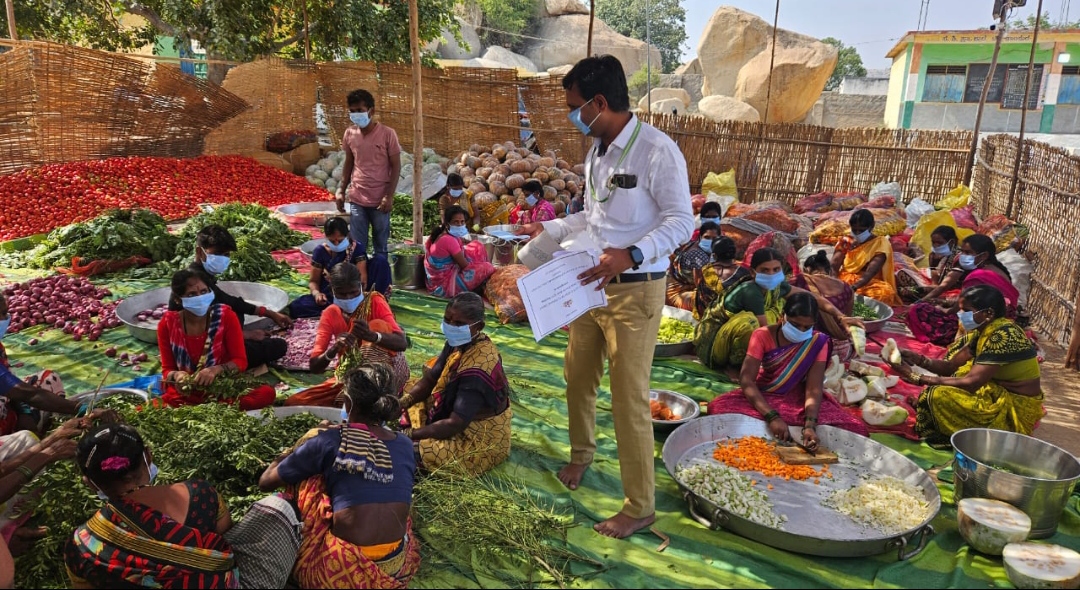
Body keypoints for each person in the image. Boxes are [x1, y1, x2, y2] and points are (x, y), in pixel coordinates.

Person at [515, 55, 694, 539]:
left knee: (628, 398)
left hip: (635, 291)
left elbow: (682, 222)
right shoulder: (598, 152)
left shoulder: (657, 151)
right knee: (577, 375)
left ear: (599, 102)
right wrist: (547, 227)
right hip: (589, 284)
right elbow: (592, 221)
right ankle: (582, 455)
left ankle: (640, 507)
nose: (573, 116)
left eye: (576, 107)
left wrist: (632, 254)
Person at [66, 423, 300, 589]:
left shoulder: (82, 544)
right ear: (148, 456)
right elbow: (229, 548)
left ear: (89, 483)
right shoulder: (201, 495)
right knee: (278, 506)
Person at [260, 364, 419, 589]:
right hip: (396, 567)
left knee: (311, 479)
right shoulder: (404, 443)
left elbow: (266, 482)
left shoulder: (327, 440)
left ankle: (307, 554)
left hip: (340, 572)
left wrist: (302, 442)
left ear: (348, 402)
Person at [890, 285, 1043, 448]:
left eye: (967, 311)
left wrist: (918, 378)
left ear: (988, 314)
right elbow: (951, 366)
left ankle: (966, 436)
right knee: (950, 379)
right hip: (995, 391)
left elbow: (971, 383)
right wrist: (919, 359)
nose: (960, 316)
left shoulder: (1002, 336)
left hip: (1013, 407)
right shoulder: (984, 331)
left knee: (935, 396)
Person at [707, 293, 869, 441]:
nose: (801, 330)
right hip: (766, 393)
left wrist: (810, 425)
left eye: (807, 327)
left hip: (799, 399)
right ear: (782, 316)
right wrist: (772, 416)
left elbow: (814, 388)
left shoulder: (817, 342)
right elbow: (747, 380)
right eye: (795, 324)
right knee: (718, 408)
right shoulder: (762, 335)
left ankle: (790, 428)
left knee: (855, 428)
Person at [695, 248, 857, 376]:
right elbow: (764, 332)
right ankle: (734, 366)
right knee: (749, 322)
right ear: (753, 272)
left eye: (776, 269)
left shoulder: (777, 286)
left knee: (780, 305)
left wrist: (840, 316)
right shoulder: (751, 291)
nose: (771, 274)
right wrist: (790, 359)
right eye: (765, 270)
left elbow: (812, 297)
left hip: (733, 335)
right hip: (713, 346)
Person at [399, 293, 511, 477]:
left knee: (414, 452)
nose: (450, 327)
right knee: (412, 388)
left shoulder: (477, 370)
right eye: (447, 320)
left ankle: (416, 437)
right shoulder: (458, 341)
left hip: (476, 436)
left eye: (458, 324)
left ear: (479, 327)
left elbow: (454, 424)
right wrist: (401, 403)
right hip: (458, 416)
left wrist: (410, 434)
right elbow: (430, 379)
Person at [169, 225, 292, 368]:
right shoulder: (197, 280)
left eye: (226, 255)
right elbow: (202, 327)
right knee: (276, 346)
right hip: (200, 347)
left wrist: (269, 313)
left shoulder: (201, 275)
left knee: (236, 310)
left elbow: (229, 301)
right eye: (218, 253)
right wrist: (246, 334)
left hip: (210, 339)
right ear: (199, 251)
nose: (223, 259)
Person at [286, 263, 408, 406]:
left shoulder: (375, 302)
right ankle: (357, 398)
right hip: (350, 377)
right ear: (332, 291)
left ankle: (369, 395)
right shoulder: (330, 314)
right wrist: (334, 349)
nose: (349, 298)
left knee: (377, 325)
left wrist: (373, 336)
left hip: (383, 375)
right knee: (294, 402)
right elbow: (315, 366)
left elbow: (402, 343)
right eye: (342, 294)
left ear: (361, 286)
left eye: (354, 292)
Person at [158, 269, 276, 411]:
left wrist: (215, 370)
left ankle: (204, 412)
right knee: (146, 411)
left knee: (266, 393)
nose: (200, 297)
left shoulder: (225, 316)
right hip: (186, 393)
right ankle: (209, 412)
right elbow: (167, 370)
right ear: (178, 299)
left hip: (221, 389)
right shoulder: (168, 324)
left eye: (204, 292)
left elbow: (240, 361)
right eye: (192, 294)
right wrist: (177, 375)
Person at [906, 234, 1020, 346]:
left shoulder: (978, 276)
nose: (962, 256)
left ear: (984, 256)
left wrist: (941, 309)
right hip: (1004, 322)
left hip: (982, 324)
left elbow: (958, 309)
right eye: (962, 252)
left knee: (918, 310)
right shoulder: (1001, 271)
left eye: (968, 253)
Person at [0, 292, 83, 436]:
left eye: (5, 313)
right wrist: (82, 408)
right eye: (1, 314)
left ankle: (36, 433)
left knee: (49, 378)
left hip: (7, 407)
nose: (5, 319)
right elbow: (28, 394)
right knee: (27, 438)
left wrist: (23, 411)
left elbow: (11, 388)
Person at [334, 89, 401, 263]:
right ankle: (360, 282)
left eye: (360, 110)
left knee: (381, 246)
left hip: (380, 201)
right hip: (357, 198)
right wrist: (341, 190)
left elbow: (396, 166)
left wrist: (389, 196)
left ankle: (380, 282)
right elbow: (349, 163)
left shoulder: (388, 134)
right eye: (352, 111)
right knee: (357, 246)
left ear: (371, 111)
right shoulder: (350, 134)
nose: (356, 114)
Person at [289, 217, 392, 318]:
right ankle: (344, 309)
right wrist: (317, 294)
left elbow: (362, 280)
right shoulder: (320, 252)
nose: (337, 244)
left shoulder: (356, 248)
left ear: (347, 236)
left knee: (380, 262)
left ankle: (372, 303)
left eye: (340, 240)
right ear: (326, 237)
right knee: (296, 307)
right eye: (332, 241)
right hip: (334, 293)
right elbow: (313, 281)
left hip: (356, 292)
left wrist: (353, 299)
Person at [830, 208, 902, 306]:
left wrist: (852, 289)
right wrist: (835, 283)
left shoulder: (880, 243)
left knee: (885, 294)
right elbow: (834, 266)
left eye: (862, 230)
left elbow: (870, 273)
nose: (858, 233)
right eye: (854, 230)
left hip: (867, 283)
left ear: (871, 226)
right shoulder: (845, 241)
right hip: (843, 280)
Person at [424, 205, 495, 298]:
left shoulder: (445, 234)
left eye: (462, 222)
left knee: (477, 246)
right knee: (488, 267)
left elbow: (463, 245)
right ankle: (479, 284)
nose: (460, 225)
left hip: (442, 278)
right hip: (442, 286)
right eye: (456, 222)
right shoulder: (448, 240)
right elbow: (465, 266)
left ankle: (481, 281)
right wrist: (480, 266)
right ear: (447, 223)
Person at [802, 250, 856, 361]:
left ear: (806, 270)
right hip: (840, 351)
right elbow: (847, 319)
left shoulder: (799, 282)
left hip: (808, 349)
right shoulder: (847, 288)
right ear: (830, 271)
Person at [897, 225, 963, 304]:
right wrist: (932, 286)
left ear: (952, 242)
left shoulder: (959, 258)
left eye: (939, 243)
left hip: (952, 292)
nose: (935, 246)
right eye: (933, 242)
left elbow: (944, 286)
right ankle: (927, 298)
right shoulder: (933, 255)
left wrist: (920, 301)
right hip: (938, 287)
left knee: (947, 300)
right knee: (902, 277)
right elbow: (935, 282)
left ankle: (927, 300)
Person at [692, 235, 751, 320]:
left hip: (706, 319)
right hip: (730, 321)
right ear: (734, 254)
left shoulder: (705, 270)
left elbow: (698, 286)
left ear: (715, 256)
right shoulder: (745, 274)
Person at [666, 221, 720, 312]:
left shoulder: (695, 245)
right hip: (677, 294)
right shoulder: (698, 255)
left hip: (684, 289)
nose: (710, 241)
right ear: (700, 237)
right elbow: (703, 286)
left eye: (714, 238)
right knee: (712, 303)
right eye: (707, 237)